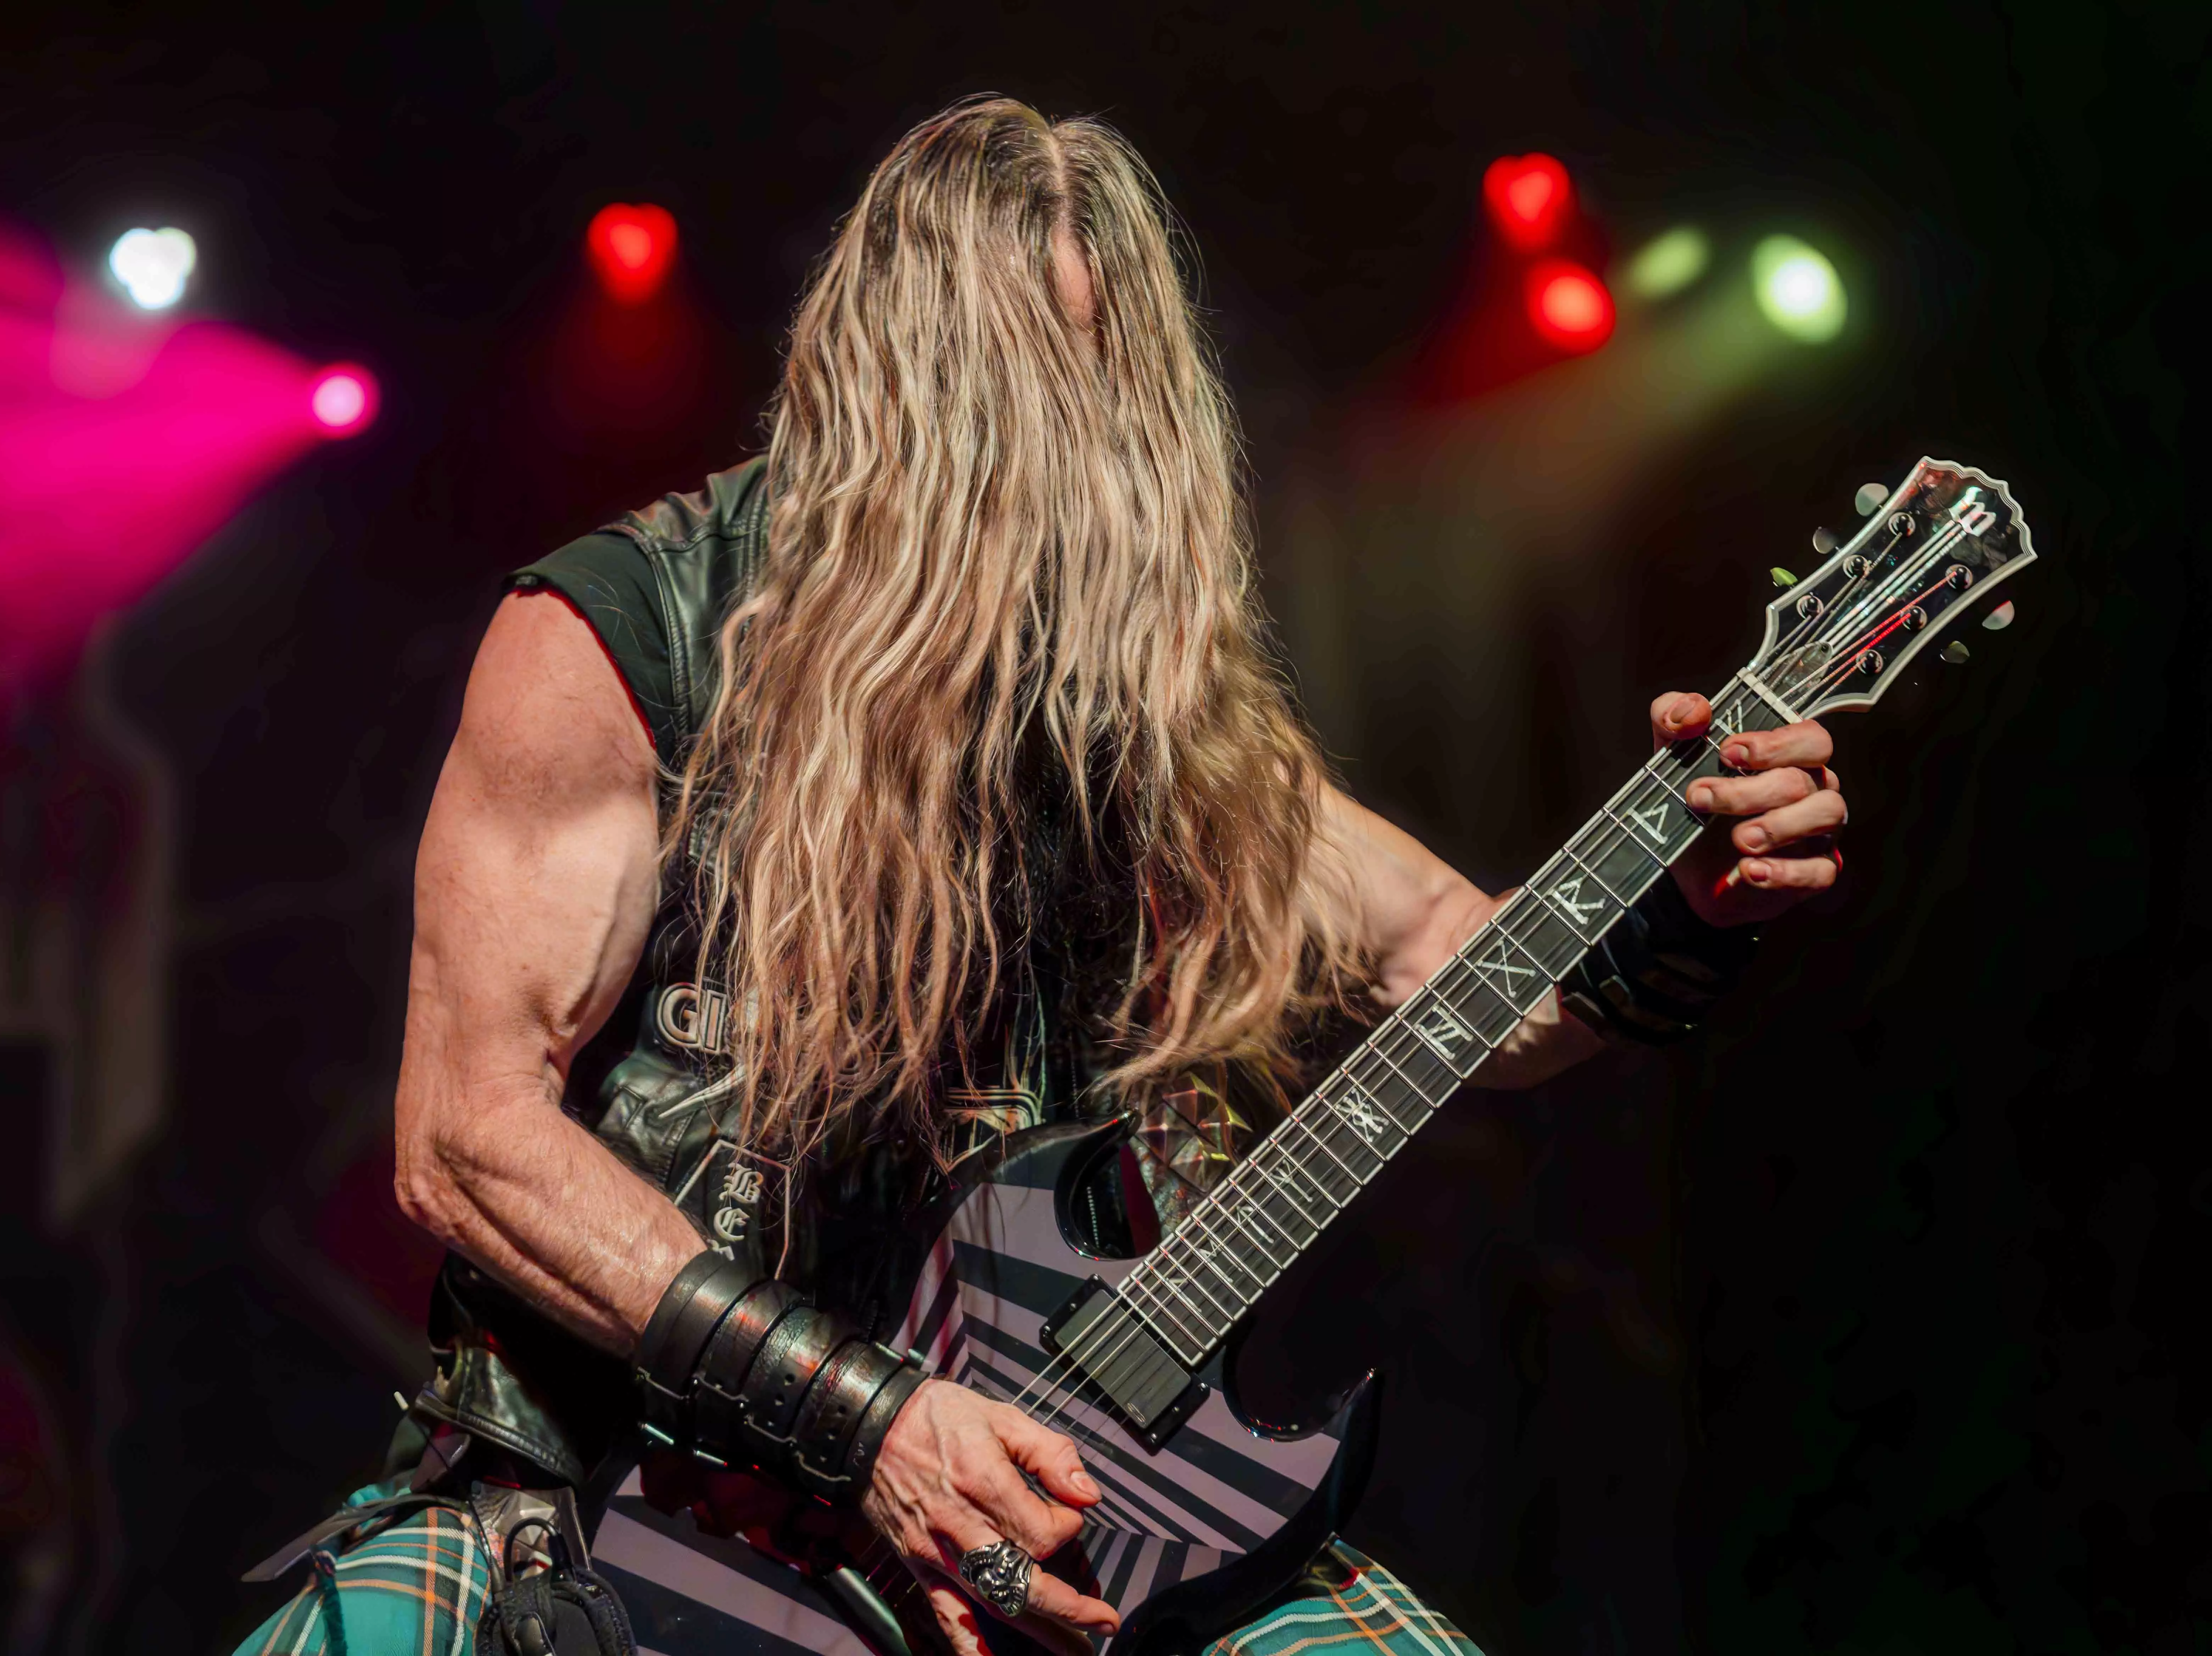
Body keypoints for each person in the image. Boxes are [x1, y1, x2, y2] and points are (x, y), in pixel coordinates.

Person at [238, 96, 1845, 1656]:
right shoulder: (622, 635)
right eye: (1014, 376)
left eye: (1101, 378)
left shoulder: (1141, 715)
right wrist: (869, 1420)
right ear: (887, 374)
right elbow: (468, 1142)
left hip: (1049, 1521)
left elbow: (1460, 961)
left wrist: (1693, 906)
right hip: (625, 1499)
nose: (1070, 434)